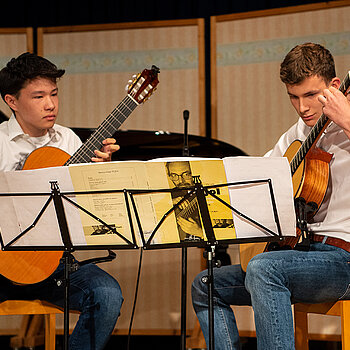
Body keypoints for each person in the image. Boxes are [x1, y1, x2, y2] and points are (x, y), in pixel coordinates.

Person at [191, 42, 350, 349]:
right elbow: (257, 181)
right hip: (305, 256)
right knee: (206, 284)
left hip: (344, 260)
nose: (302, 107)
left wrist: (345, 119)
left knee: (266, 269)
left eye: (310, 95)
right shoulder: (298, 134)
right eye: (293, 96)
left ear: (334, 86)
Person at [0, 52, 123, 350]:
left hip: (52, 264)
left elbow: (87, 206)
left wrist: (98, 172)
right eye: (38, 96)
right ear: (12, 101)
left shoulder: (68, 140)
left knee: (107, 294)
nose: (50, 104)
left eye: (54, 94)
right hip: (3, 260)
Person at [166, 161, 204, 241]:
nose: (180, 181)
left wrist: (200, 233)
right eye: (174, 175)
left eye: (186, 174)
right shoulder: (168, 195)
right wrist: (169, 202)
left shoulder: (208, 192)